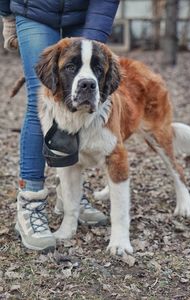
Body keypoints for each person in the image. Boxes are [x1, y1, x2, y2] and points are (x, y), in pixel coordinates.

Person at [0, 0, 120, 251]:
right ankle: (30, 201)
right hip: (34, 9)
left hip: (85, 11)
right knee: (40, 98)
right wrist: (6, 14)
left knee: (83, 92)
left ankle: (70, 195)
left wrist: (94, 42)